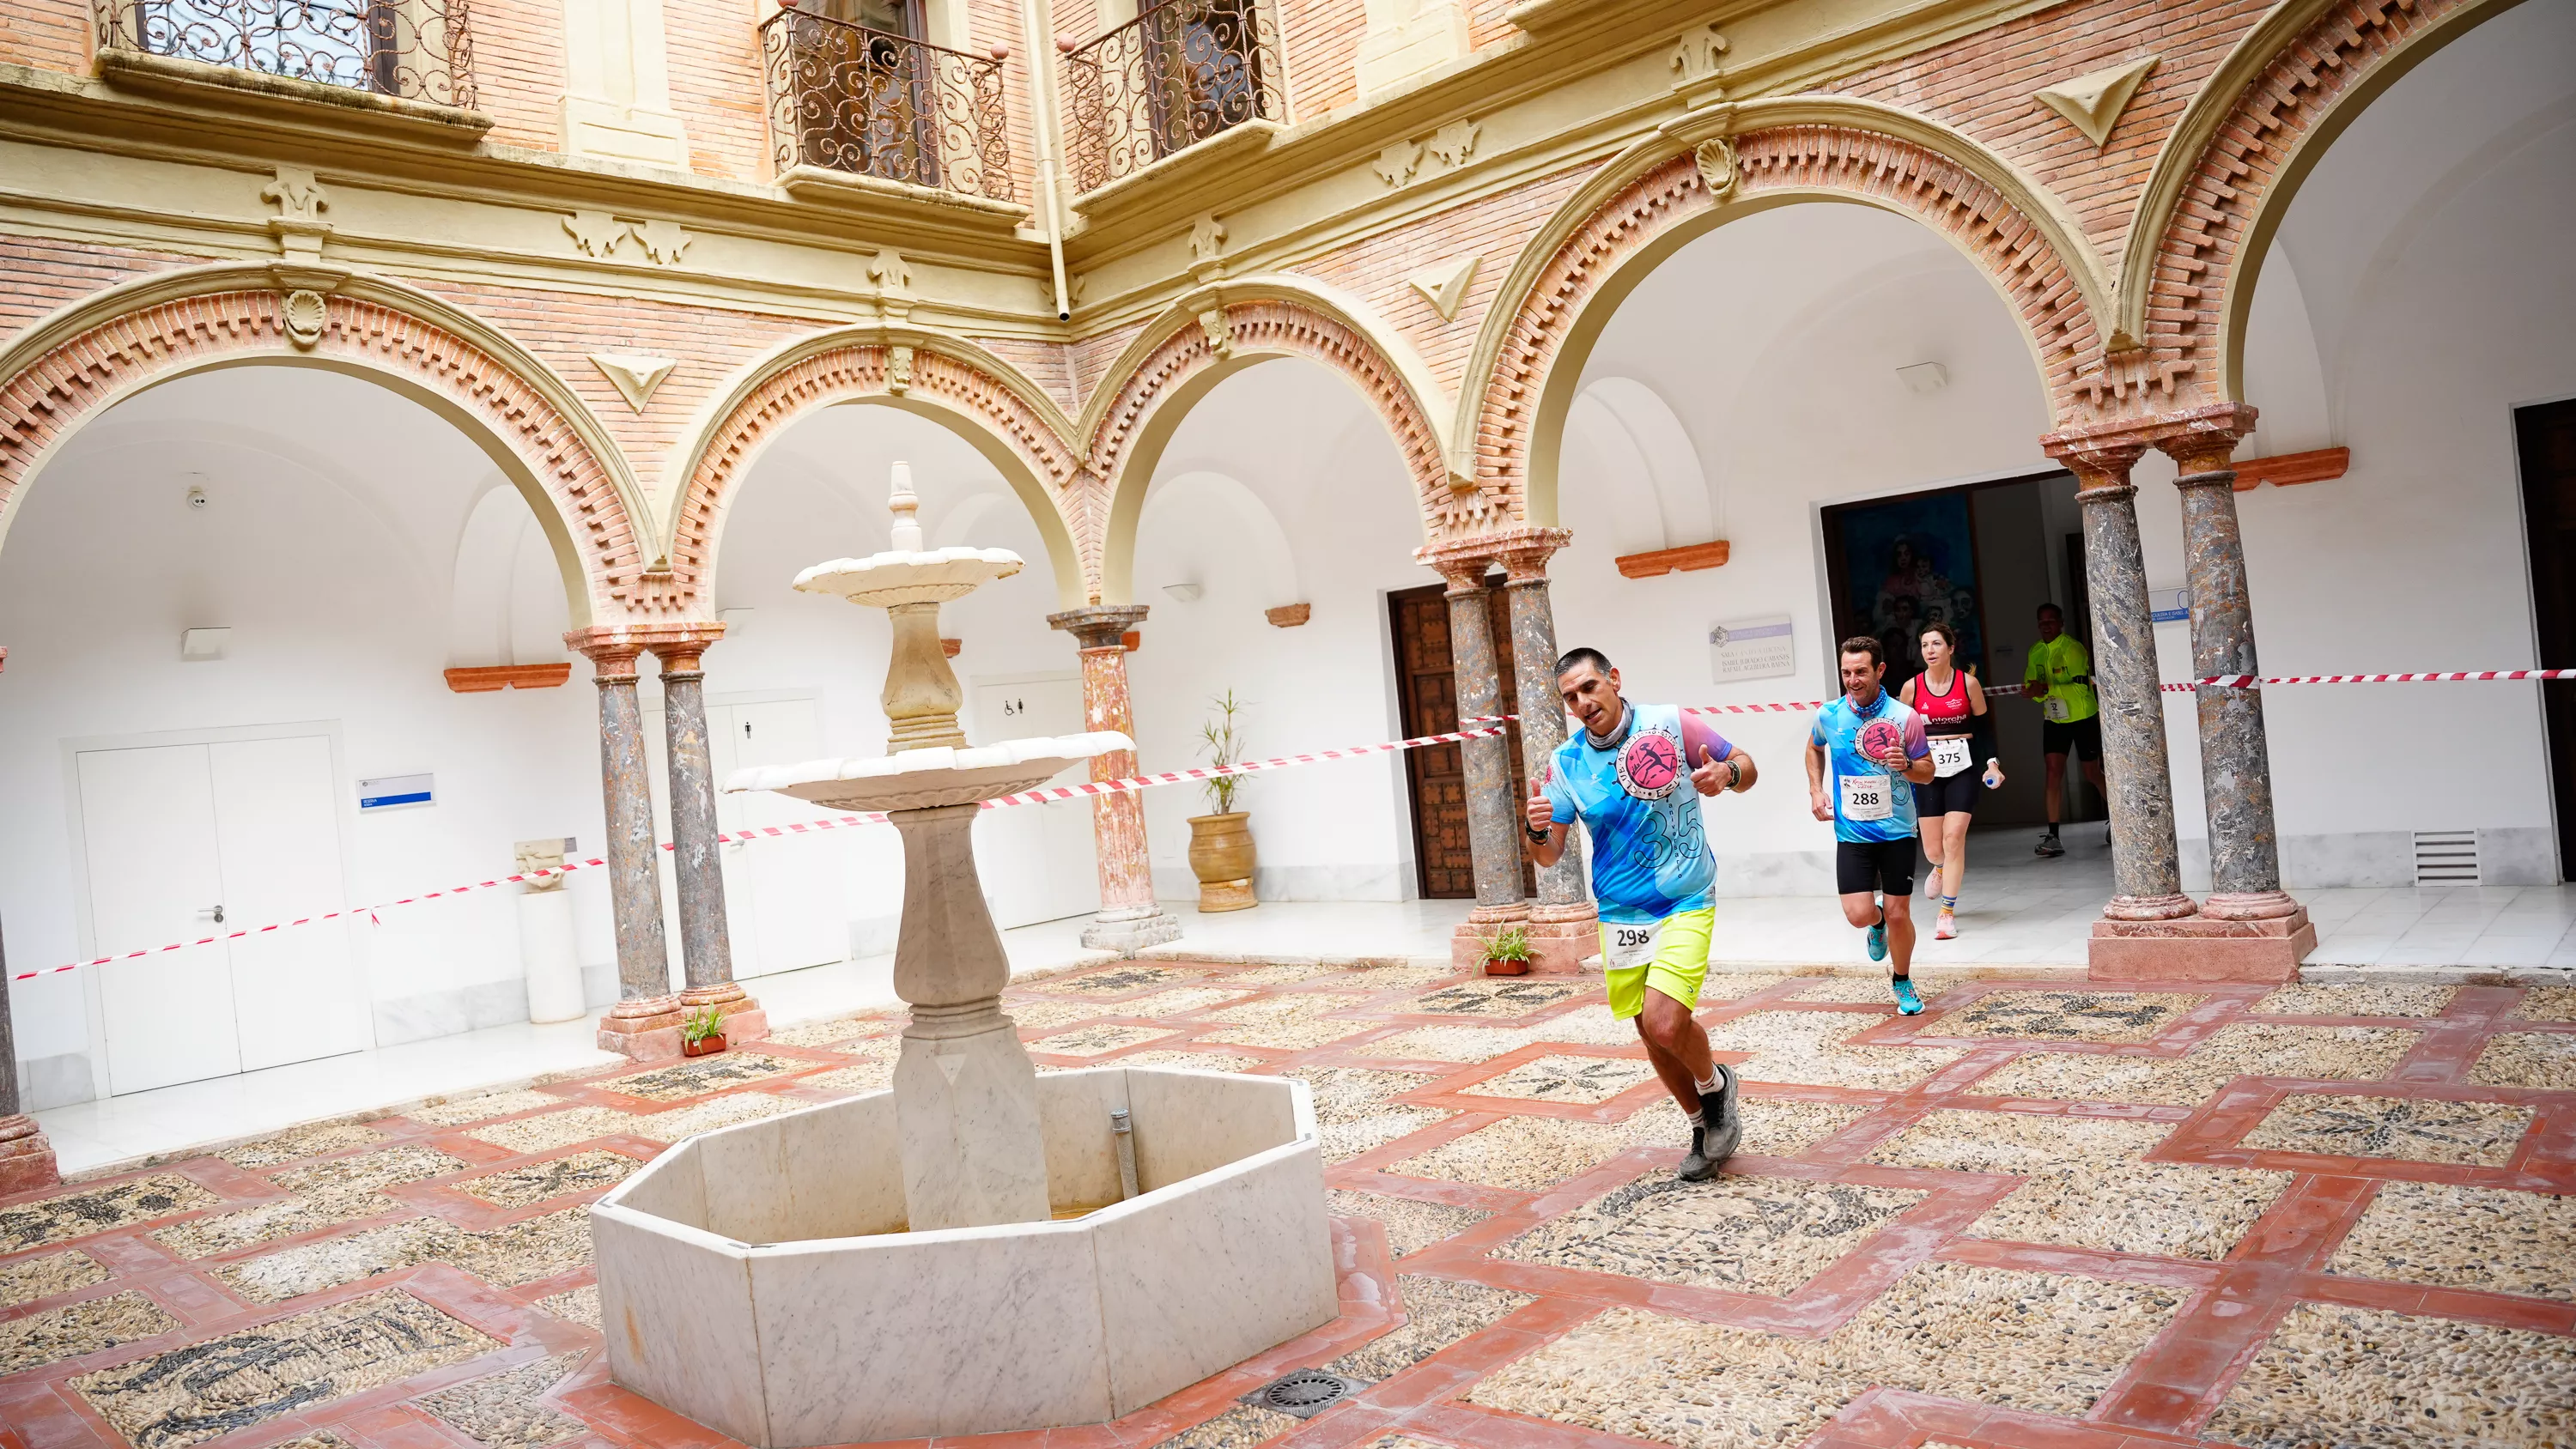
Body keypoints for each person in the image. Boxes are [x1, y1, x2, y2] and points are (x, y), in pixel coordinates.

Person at [1525, 646, 1758, 1180]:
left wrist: (1726, 775)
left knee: (1665, 1021)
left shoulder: (1669, 723)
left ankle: (1717, 1085)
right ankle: (1703, 1125)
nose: (1582, 703)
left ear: (1614, 679)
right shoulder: (1566, 763)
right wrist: (1537, 825)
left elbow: (1748, 766)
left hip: (1685, 896)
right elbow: (1549, 854)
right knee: (1650, 1034)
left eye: (1588, 688)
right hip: (1621, 911)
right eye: (1570, 698)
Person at [1806, 636, 1936, 1014]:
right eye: (1846, 672)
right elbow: (1814, 748)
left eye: (1861, 671)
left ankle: (1903, 980)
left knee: (1901, 913)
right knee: (1859, 914)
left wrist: (1907, 766)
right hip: (1852, 832)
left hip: (1897, 831)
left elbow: (1928, 772)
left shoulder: (1903, 717)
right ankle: (1875, 924)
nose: (1852, 679)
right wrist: (1816, 790)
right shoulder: (1828, 715)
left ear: (1880, 670)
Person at [1899, 621, 2002, 940]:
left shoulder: (1967, 684)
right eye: (1925, 645)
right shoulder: (1911, 688)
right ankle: (1940, 868)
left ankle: (1946, 913)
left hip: (1964, 768)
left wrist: (1993, 764)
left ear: (1951, 648)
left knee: (1954, 838)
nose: (1930, 650)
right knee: (1933, 850)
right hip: (1927, 769)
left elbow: (1985, 728)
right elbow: (1902, 733)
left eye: (1936, 644)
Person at [2020, 602, 2105, 858]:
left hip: (2083, 716)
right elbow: (2031, 684)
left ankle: (2118, 819)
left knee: (2091, 772)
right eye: (2041, 622)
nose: (2046, 626)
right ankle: (2053, 836)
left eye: (2051, 621)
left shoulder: (2073, 649)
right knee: (2053, 772)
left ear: (2061, 623)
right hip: (2054, 719)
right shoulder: (2035, 651)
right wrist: (2034, 693)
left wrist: (2045, 690)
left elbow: (2081, 686)